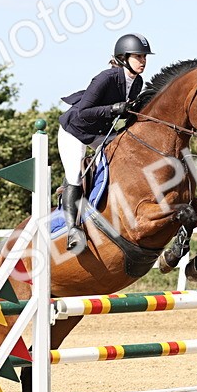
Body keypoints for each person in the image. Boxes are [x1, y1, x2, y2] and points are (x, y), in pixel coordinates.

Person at [56, 33, 152, 250]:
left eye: (145, 57)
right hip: (75, 131)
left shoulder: (137, 82)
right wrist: (113, 108)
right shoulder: (105, 78)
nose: (143, 61)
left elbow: (124, 114)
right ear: (123, 57)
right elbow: (83, 112)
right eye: (138, 56)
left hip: (99, 133)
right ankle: (73, 230)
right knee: (74, 177)